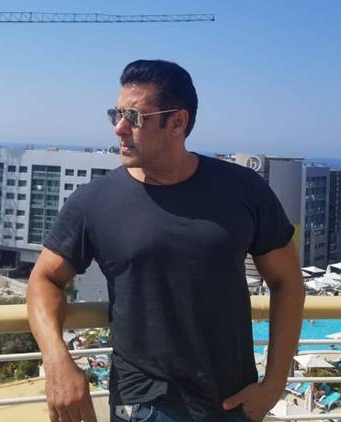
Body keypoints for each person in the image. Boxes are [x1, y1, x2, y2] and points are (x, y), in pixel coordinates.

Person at [27, 59, 305, 422]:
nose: (119, 129)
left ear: (177, 122)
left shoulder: (243, 189)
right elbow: (44, 279)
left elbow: (287, 281)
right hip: (143, 405)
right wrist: (57, 360)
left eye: (134, 118)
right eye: (116, 115)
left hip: (232, 402)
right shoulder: (93, 201)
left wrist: (275, 383)